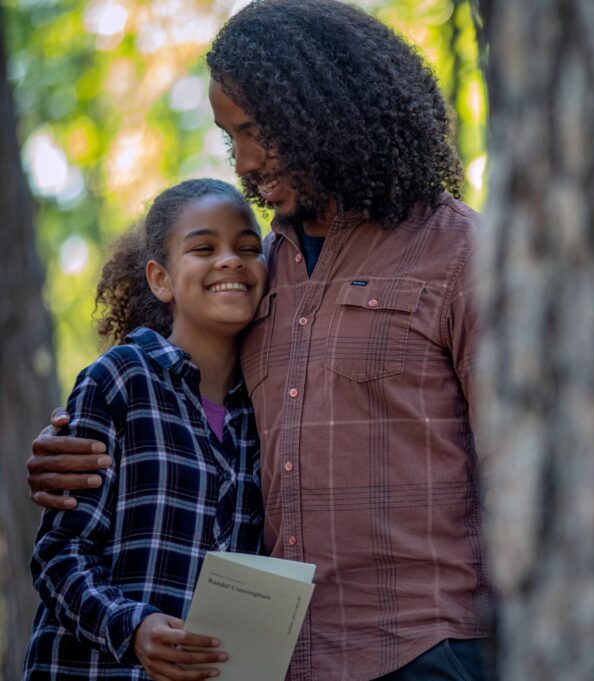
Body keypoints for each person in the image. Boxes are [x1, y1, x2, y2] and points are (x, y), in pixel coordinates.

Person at [27, 3, 492, 680]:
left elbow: (532, 476)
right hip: (279, 660)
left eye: (257, 132)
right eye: (229, 136)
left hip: (429, 650)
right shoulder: (257, 269)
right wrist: (72, 444)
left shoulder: (460, 253)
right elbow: (180, 395)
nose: (244, 160)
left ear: (326, 109)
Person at [23, 178, 267, 681]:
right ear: (161, 279)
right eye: (204, 247)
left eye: (249, 248)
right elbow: (58, 553)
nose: (231, 260)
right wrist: (132, 627)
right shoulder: (120, 379)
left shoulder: (265, 410)